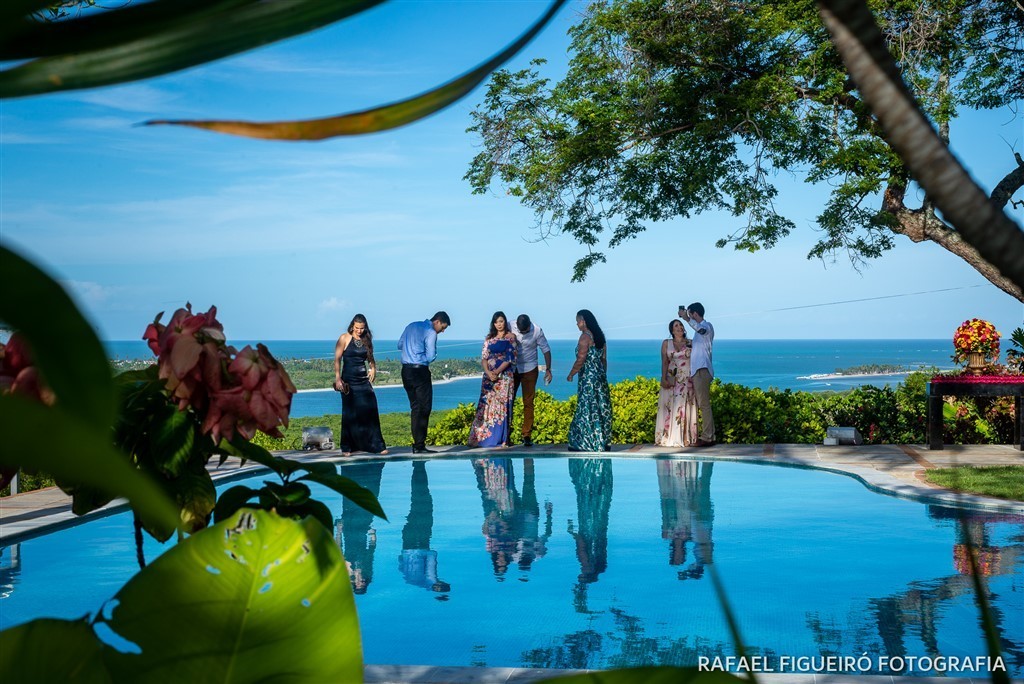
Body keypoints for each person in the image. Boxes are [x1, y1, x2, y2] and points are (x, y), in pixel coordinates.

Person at [333, 313, 388, 456]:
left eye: (362, 328)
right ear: (352, 326)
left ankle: (376, 445)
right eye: (357, 328)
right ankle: (347, 447)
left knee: (370, 409)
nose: (359, 331)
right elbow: (337, 360)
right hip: (348, 381)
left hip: (363, 380)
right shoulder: (344, 338)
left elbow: (370, 357)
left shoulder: (366, 339)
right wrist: (338, 379)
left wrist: (373, 368)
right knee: (350, 413)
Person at [398, 311, 451, 454]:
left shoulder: (411, 325)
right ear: (438, 321)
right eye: (443, 327)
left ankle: (417, 444)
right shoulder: (431, 332)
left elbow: (400, 344)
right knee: (425, 407)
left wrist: (411, 351)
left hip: (406, 371)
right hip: (419, 371)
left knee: (415, 407)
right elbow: (430, 356)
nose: (443, 331)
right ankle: (419, 445)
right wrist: (421, 358)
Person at [468, 311, 518, 448]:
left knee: (502, 407)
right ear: (493, 324)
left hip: (504, 377)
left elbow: (511, 358)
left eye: (501, 321)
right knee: (486, 406)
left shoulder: (511, 338)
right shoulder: (489, 339)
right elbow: (484, 358)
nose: (499, 324)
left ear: (505, 322)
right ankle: (483, 438)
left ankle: (501, 439)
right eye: (496, 322)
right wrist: (488, 372)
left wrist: (496, 371)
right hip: (488, 378)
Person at [566, 309, 612, 452]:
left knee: (587, 408)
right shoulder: (600, 336)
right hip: (599, 377)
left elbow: (581, 359)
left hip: (588, 378)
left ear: (584, 321)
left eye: (578, 321)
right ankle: (603, 440)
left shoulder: (585, 337)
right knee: (600, 407)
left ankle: (586, 442)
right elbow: (604, 360)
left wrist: (571, 374)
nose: (577, 324)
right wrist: (601, 375)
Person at [511, 314, 552, 447]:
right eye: (520, 331)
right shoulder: (509, 325)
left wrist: (548, 369)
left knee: (528, 402)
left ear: (529, 325)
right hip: (512, 368)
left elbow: (546, 349)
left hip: (529, 368)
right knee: (508, 401)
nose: (523, 334)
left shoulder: (537, 330)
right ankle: (505, 434)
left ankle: (527, 435)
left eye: (525, 331)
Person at [655, 319, 697, 447]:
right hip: (672, 378)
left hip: (687, 379)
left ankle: (684, 437)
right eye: (676, 326)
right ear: (672, 331)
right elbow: (664, 362)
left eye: (681, 325)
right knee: (670, 406)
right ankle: (670, 436)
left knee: (685, 407)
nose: (679, 327)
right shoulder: (666, 343)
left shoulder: (691, 343)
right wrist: (663, 378)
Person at [679, 302, 715, 447]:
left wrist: (687, 319)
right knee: (702, 404)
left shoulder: (707, 326)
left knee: (704, 404)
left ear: (694, 314)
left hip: (702, 369)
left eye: (690, 314)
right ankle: (708, 435)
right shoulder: (699, 332)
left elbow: (701, 330)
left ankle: (708, 437)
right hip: (698, 370)